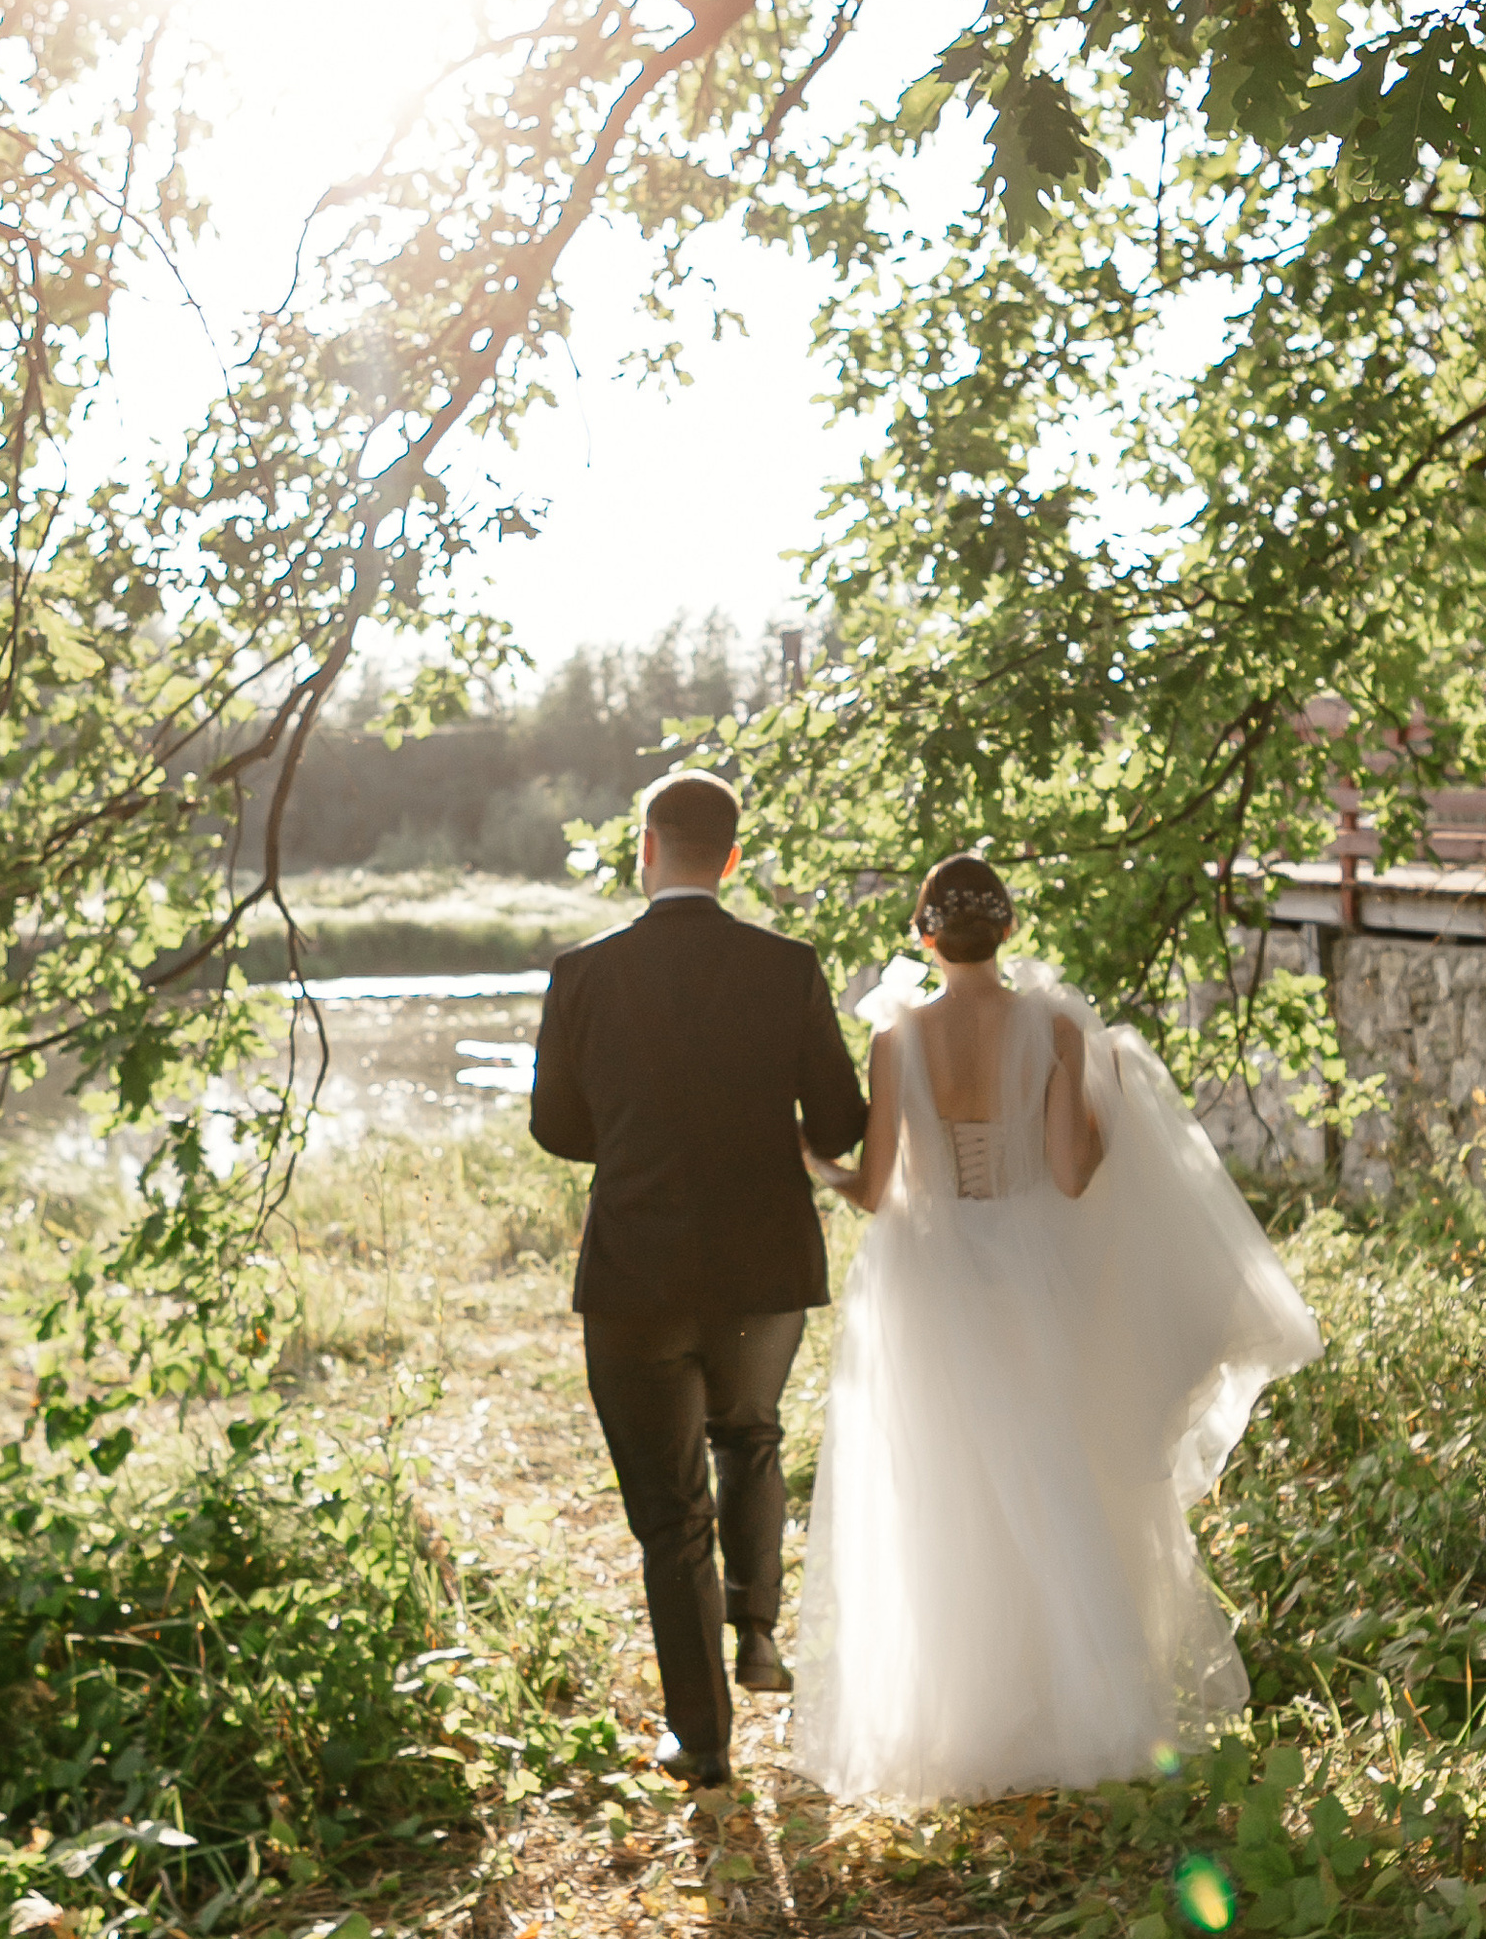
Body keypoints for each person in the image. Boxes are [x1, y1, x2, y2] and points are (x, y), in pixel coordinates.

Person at [793, 853, 1321, 1817]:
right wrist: (1108, 1106)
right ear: (1008, 930)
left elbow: (875, 1194)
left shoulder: (896, 1036)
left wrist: (813, 1160)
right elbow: (1075, 1177)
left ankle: (959, 1725)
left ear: (924, 934)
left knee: (942, 1491)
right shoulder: (1054, 1028)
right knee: (1054, 1474)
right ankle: (1087, 1713)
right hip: (1033, 1272)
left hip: (932, 1278)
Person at [528, 770, 867, 1790]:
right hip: (762, 1264)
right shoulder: (787, 966)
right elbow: (842, 1120)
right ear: (730, 857)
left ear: (644, 849)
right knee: (750, 1436)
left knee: (670, 1514)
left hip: (636, 1270)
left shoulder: (583, 973)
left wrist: (636, 1142)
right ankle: (758, 1631)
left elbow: (556, 1128)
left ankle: (703, 1738)